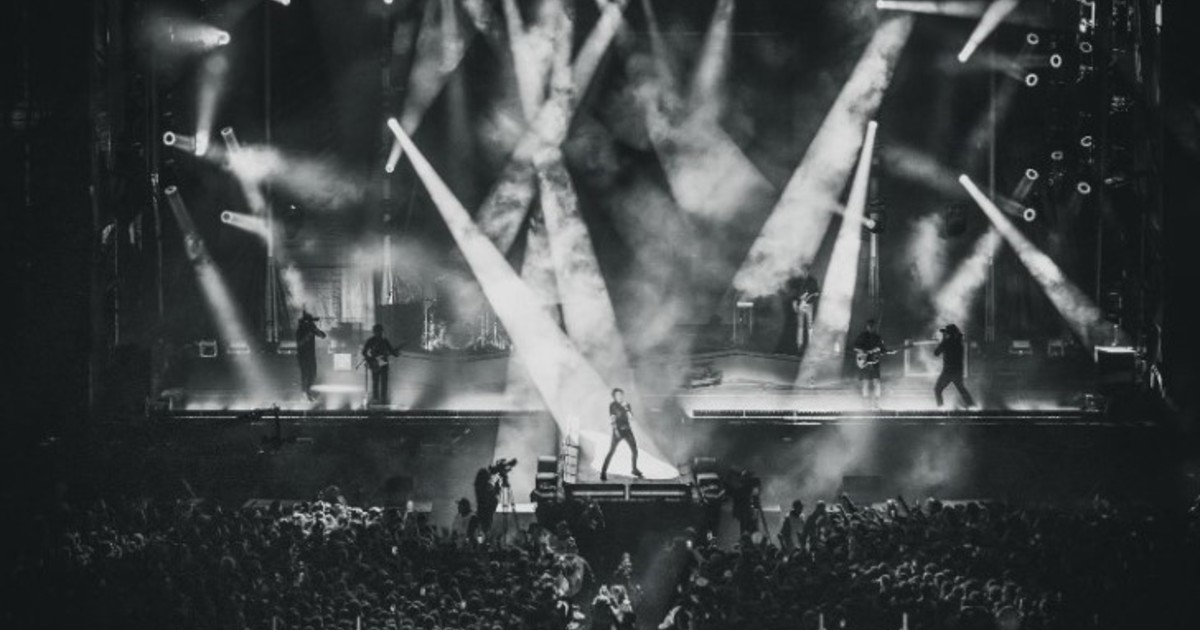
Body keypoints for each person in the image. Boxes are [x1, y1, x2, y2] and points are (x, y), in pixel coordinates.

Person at [600, 388, 643, 481]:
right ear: (614, 396)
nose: (620, 396)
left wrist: (626, 408)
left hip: (627, 430)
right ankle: (603, 472)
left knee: (635, 450)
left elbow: (631, 418)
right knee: (611, 451)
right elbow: (612, 419)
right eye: (618, 395)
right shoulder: (613, 405)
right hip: (618, 430)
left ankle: (634, 469)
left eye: (621, 394)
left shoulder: (627, 404)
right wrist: (616, 431)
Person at [934, 323, 976, 408]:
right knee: (961, 389)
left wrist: (943, 339)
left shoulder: (947, 342)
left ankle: (941, 407)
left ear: (948, 333)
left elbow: (936, 353)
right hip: (958, 370)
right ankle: (972, 406)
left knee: (938, 389)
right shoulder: (958, 342)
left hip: (948, 371)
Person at [361, 324, 401, 405]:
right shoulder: (371, 341)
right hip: (375, 364)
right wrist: (370, 360)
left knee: (384, 382)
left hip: (383, 364)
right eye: (378, 331)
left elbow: (391, 351)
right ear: (375, 332)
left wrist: (396, 353)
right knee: (375, 382)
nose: (379, 333)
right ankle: (376, 398)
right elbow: (364, 352)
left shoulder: (385, 341)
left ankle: (383, 398)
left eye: (380, 332)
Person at [853, 319, 888, 409]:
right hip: (865, 362)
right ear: (867, 326)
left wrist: (887, 351)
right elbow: (855, 347)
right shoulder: (862, 336)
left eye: (873, 326)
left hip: (874, 362)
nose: (871, 328)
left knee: (877, 383)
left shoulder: (878, 338)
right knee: (866, 383)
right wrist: (864, 351)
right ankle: (866, 404)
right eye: (870, 326)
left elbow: (883, 350)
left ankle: (876, 404)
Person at [296, 311, 326, 401]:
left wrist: (315, 330)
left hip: (310, 356)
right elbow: (300, 344)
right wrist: (308, 335)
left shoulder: (312, 329)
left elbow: (323, 335)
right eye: (309, 322)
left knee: (312, 374)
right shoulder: (300, 331)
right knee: (305, 374)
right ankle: (304, 393)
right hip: (303, 356)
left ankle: (308, 392)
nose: (311, 324)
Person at [791, 264, 821, 354]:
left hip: (809, 305)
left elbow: (817, 292)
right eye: (802, 270)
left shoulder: (812, 280)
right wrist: (794, 302)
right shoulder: (799, 281)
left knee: (810, 325)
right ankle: (799, 345)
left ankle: (810, 345)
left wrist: (809, 298)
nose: (803, 272)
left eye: (805, 270)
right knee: (800, 325)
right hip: (800, 305)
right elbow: (795, 293)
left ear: (808, 271)